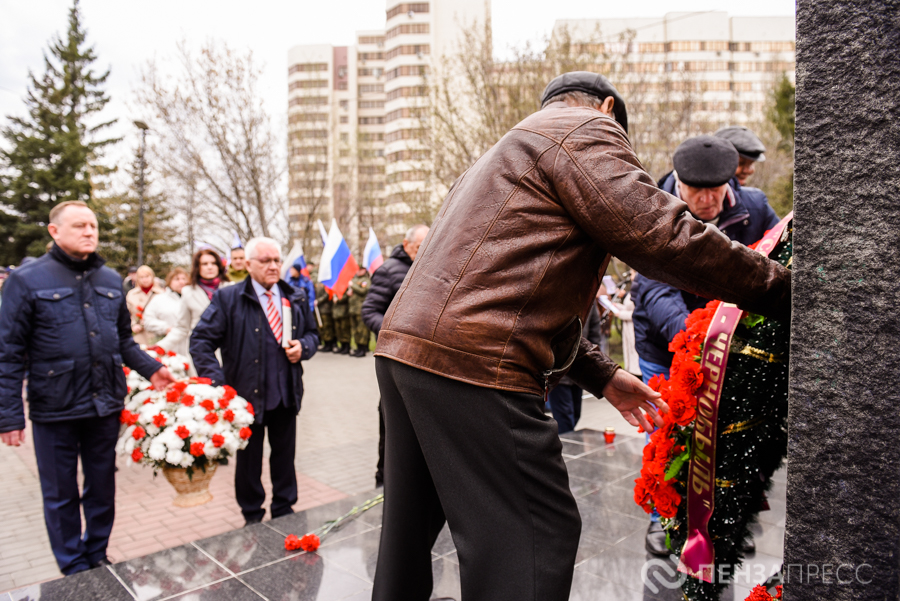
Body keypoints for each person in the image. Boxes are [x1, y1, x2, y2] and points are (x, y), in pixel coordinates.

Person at [369, 72, 791, 601]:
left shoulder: (503, 151)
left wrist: (602, 375)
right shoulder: (586, 126)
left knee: (406, 537)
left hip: (406, 354)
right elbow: (657, 235)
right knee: (534, 535)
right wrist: (786, 290)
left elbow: (524, 287)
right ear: (609, 107)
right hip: (475, 363)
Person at [0, 201, 175, 575]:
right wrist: (9, 416)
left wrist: (153, 369)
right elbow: (8, 352)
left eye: (93, 225)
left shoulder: (110, 280)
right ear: (54, 231)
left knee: (102, 487)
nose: (89, 231)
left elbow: (123, 340)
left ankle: (96, 553)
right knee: (60, 493)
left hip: (104, 404)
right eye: (79, 225)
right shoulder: (26, 280)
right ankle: (72, 566)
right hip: (54, 407)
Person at [631, 134, 780, 556]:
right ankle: (663, 519)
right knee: (667, 433)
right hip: (669, 346)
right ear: (679, 182)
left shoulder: (754, 207)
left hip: (733, 348)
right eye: (697, 190)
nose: (709, 200)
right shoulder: (652, 212)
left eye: (717, 189)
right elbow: (656, 292)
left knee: (729, 436)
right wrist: (701, 345)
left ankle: (728, 521)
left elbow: (774, 263)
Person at [190, 237, 318, 526]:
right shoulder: (228, 298)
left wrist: (304, 347)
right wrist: (218, 384)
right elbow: (200, 341)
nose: (273, 266)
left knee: (284, 457)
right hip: (245, 398)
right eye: (265, 261)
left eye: (277, 260)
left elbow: (312, 334)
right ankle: (252, 514)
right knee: (249, 462)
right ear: (248, 265)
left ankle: (284, 508)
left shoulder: (294, 296)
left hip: (286, 393)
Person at [361, 223, 429, 488]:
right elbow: (369, 312)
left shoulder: (434, 267)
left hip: (427, 365)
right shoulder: (388, 271)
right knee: (393, 428)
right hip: (398, 362)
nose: (425, 251)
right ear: (406, 244)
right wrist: (398, 334)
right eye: (420, 247)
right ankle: (384, 482)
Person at [157, 249, 230, 362]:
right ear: (197, 267)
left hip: (229, 351)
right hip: (201, 353)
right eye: (204, 264)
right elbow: (182, 327)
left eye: (214, 263)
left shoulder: (231, 289)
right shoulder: (188, 292)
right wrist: (161, 346)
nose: (210, 267)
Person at [548, 303, 602, 434]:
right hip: (558, 371)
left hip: (580, 368)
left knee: (576, 414)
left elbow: (595, 332)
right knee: (564, 419)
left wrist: (594, 360)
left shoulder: (590, 301)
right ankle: (564, 444)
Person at [142, 267, 189, 351]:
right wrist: (165, 328)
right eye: (177, 279)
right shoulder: (159, 299)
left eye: (184, 279)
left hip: (190, 347)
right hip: (167, 348)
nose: (181, 282)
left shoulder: (193, 299)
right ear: (169, 281)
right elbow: (148, 321)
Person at [125, 265, 164, 346]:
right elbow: (126, 314)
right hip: (139, 334)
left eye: (147, 276)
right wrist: (133, 325)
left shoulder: (161, 294)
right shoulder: (131, 294)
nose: (144, 280)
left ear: (152, 277)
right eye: (141, 277)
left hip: (157, 335)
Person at [347, 267, 371, 357]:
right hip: (353, 309)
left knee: (362, 330)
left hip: (360, 309)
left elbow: (363, 290)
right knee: (355, 329)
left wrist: (352, 285)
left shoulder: (365, 280)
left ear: (364, 270)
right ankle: (358, 347)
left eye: (360, 269)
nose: (358, 271)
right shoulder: (354, 279)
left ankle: (363, 349)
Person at [314, 276, 336, 353]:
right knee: (322, 327)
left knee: (327, 327)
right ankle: (325, 343)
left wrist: (319, 301)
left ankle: (330, 344)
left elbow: (327, 294)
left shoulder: (327, 283)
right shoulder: (317, 282)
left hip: (326, 308)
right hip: (319, 309)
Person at [332, 289, 351, 355]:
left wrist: (338, 299)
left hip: (344, 312)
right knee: (338, 330)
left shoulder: (345, 286)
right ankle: (342, 346)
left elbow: (346, 296)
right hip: (336, 312)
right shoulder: (335, 287)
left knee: (344, 329)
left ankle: (347, 346)